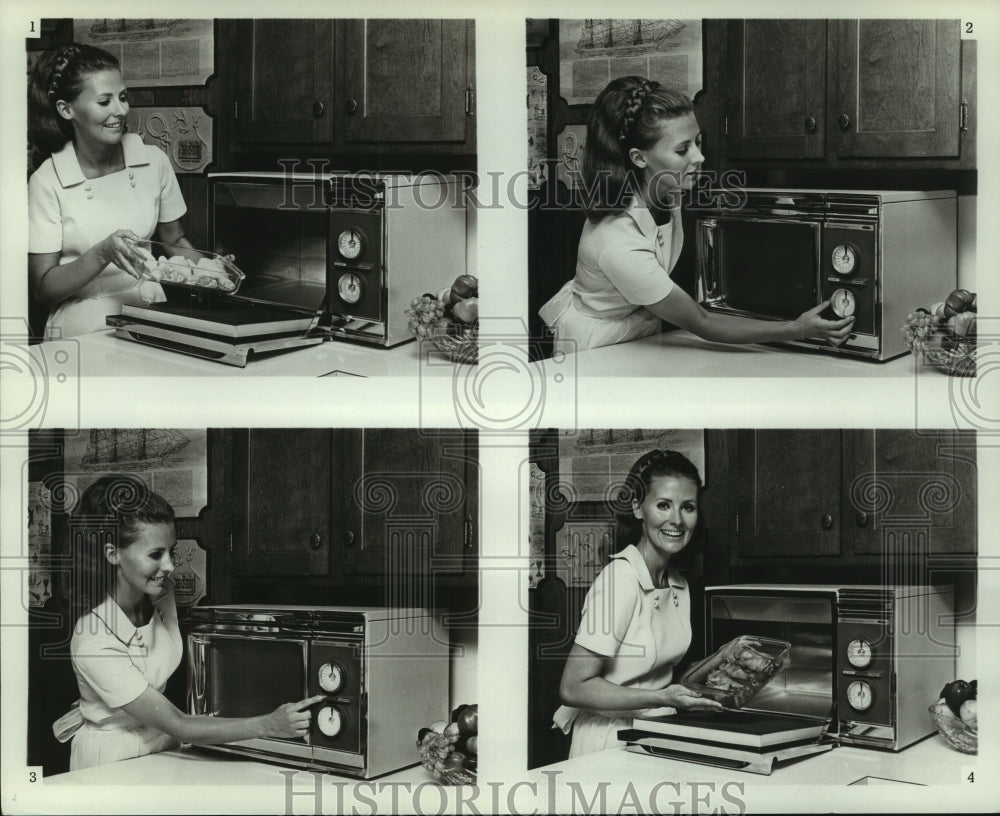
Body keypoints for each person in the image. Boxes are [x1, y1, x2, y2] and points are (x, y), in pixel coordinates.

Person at [539, 76, 855, 353]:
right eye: (682, 149)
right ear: (638, 157)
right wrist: (796, 329)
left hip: (637, 333)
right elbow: (702, 321)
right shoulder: (618, 243)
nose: (700, 156)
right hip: (596, 346)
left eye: (698, 142)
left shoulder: (665, 190)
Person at [53, 475, 321, 770]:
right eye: (155, 554)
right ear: (112, 553)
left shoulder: (159, 594)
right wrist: (269, 725)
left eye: (172, 551)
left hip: (160, 745)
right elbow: (179, 723)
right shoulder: (94, 638)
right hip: (112, 760)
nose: (169, 566)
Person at [554, 449, 742, 757]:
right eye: (664, 505)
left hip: (656, 731)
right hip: (608, 741)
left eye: (688, 507)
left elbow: (659, 676)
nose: (677, 520)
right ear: (638, 508)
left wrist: (721, 657)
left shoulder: (678, 582)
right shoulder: (620, 580)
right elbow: (573, 688)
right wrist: (663, 699)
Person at [27, 44, 193, 340]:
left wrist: (212, 269)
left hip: (151, 317)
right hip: (82, 328)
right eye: (105, 101)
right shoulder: (47, 181)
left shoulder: (152, 160)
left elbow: (175, 239)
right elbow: (43, 288)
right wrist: (103, 252)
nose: (121, 110)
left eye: (123, 97)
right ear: (67, 110)